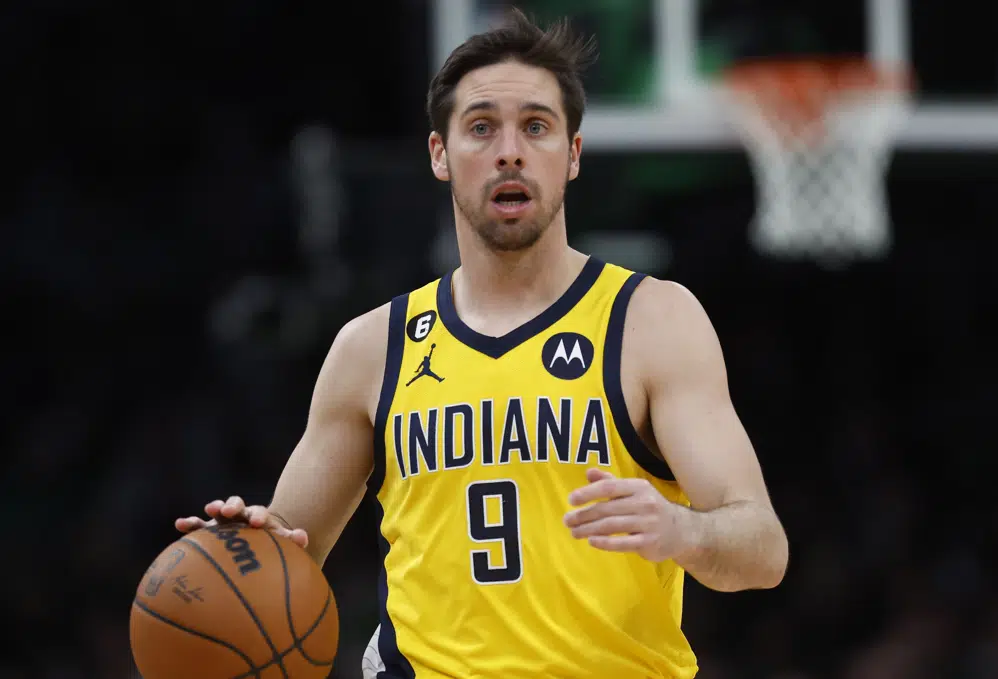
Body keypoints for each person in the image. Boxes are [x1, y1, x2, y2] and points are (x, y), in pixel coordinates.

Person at [176, 8, 789, 678]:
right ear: (440, 154)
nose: (509, 150)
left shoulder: (652, 321)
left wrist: (682, 530)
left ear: (573, 154)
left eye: (535, 126)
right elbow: (287, 561)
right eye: (480, 128)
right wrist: (240, 550)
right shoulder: (372, 348)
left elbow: (761, 548)